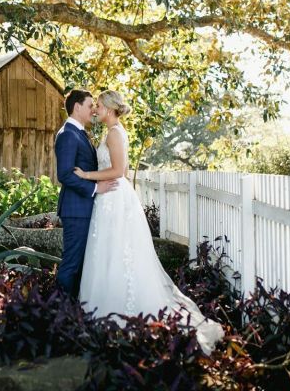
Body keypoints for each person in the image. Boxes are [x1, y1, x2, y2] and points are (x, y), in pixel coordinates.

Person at [73, 90, 225, 355]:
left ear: (109, 108)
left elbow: (119, 171)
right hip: (108, 199)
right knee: (110, 254)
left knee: (121, 253)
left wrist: (87, 175)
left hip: (115, 200)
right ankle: (106, 310)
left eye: (98, 105)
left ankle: (121, 313)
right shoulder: (112, 132)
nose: (95, 109)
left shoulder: (114, 133)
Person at [54, 89, 118, 298]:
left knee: (82, 263)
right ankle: (59, 310)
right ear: (77, 107)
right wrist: (94, 188)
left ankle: (74, 308)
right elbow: (65, 174)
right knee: (72, 262)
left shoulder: (79, 132)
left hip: (84, 207)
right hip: (76, 209)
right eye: (90, 105)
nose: (93, 110)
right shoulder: (68, 134)